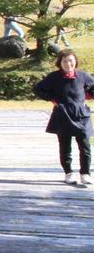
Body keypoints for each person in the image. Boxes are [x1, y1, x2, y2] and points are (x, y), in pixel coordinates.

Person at [33, 49, 94, 185]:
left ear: (75, 61)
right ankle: (68, 173)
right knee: (65, 146)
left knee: (85, 146)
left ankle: (85, 173)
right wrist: (53, 100)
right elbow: (38, 89)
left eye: (71, 60)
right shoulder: (54, 77)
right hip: (63, 114)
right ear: (60, 63)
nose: (68, 64)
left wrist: (87, 96)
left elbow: (92, 88)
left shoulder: (83, 76)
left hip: (81, 115)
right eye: (65, 61)